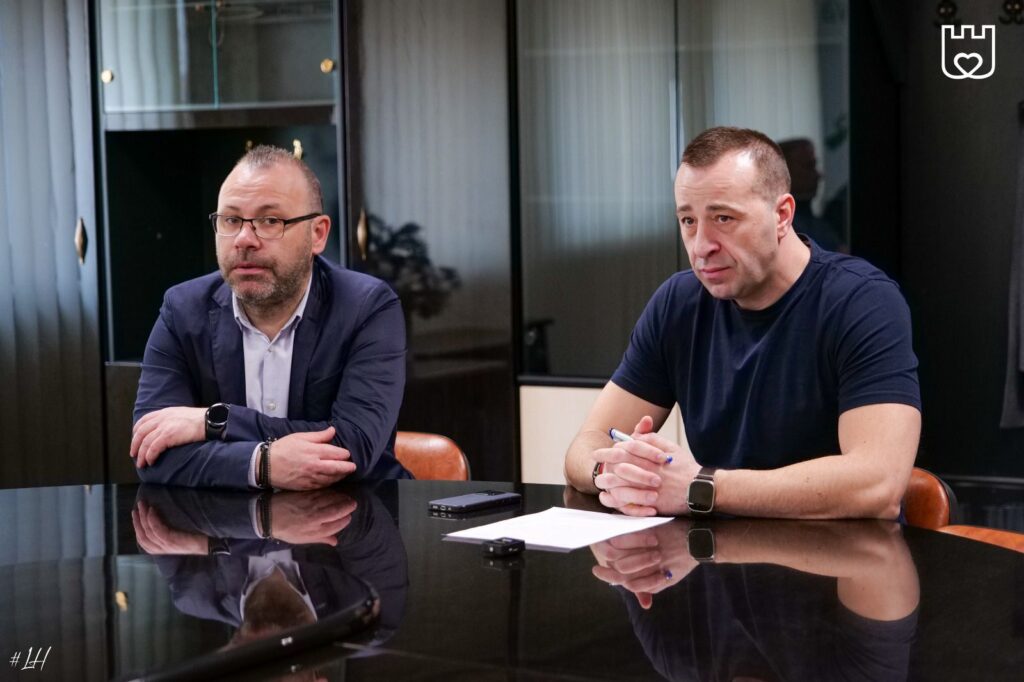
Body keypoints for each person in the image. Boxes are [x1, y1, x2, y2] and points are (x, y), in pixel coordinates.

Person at [564, 126, 921, 519]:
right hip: (719, 549)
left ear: (782, 215)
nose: (702, 246)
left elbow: (878, 483)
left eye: (723, 218)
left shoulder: (861, 301)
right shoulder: (677, 303)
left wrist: (700, 486)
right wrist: (612, 472)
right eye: (688, 221)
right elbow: (585, 445)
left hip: (843, 551)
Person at [130, 145, 409, 490]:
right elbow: (151, 451)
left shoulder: (366, 307)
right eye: (231, 220)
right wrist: (262, 463)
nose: (244, 240)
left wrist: (215, 422)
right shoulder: (183, 309)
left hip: (358, 515)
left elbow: (353, 447)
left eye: (270, 221)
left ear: (318, 234)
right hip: (229, 523)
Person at [778, 137, 845, 252]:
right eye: (808, 166)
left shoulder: (821, 225)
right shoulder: (783, 227)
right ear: (784, 172)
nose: (819, 175)